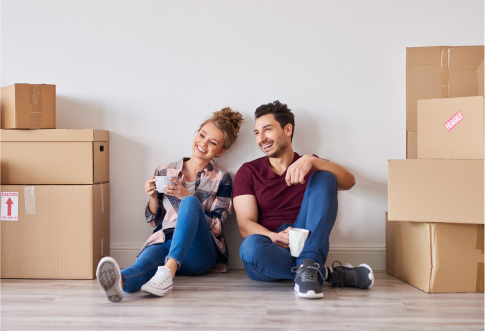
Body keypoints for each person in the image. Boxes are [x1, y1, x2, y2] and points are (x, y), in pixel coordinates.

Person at [96, 107, 243, 302]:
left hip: (199, 252)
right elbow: (154, 221)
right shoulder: (164, 170)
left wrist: (186, 196)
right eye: (202, 135)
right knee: (142, 266)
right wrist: (152, 197)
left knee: (190, 202)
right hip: (165, 240)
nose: (203, 143)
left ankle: (168, 270)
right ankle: (120, 283)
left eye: (213, 142)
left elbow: (217, 227)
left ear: (221, 151)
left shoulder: (222, 179)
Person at [233, 101, 374, 299]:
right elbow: (245, 225)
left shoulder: (309, 164)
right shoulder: (248, 172)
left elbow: (349, 182)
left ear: (288, 129)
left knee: (325, 176)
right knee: (250, 248)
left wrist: (314, 160)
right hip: (271, 247)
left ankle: (308, 262)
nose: (261, 138)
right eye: (257, 132)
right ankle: (327, 274)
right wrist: (274, 237)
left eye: (267, 130)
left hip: (307, 240)